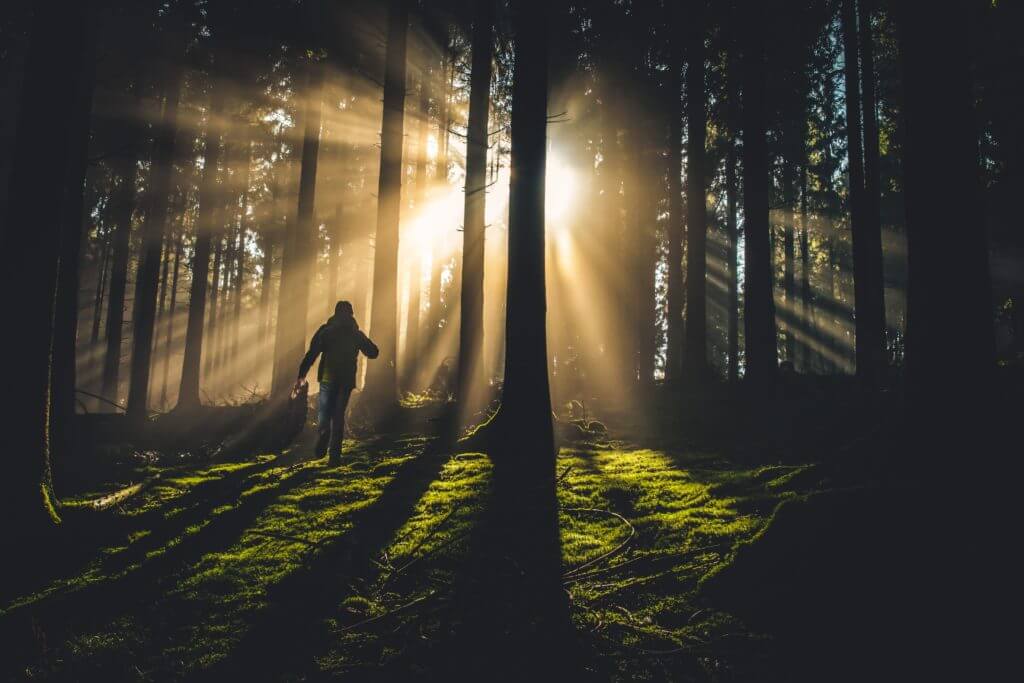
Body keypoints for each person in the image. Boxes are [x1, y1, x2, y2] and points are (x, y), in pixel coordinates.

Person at [294, 300, 379, 464]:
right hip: (346, 379)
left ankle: (323, 439)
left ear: (335, 313)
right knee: (338, 414)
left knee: (326, 412)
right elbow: (373, 352)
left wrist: (301, 374)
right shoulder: (356, 334)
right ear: (351, 314)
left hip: (328, 377)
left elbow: (312, 354)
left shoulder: (325, 331)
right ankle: (335, 455)